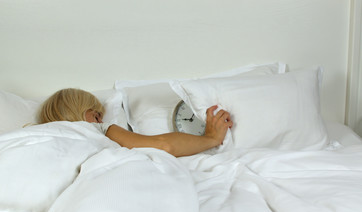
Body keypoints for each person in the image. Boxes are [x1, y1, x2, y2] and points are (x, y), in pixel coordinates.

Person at [39, 88, 233, 157]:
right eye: (96, 115)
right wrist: (211, 138)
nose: (101, 120)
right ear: (81, 112)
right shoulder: (95, 129)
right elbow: (163, 145)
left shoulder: (37, 134)